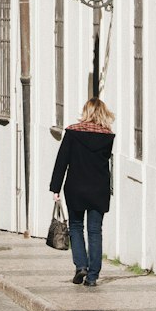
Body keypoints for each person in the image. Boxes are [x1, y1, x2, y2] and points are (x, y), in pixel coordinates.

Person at [49, 97, 116, 287]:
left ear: (85, 112)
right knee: (95, 231)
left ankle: (81, 266)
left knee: (76, 228)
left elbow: (62, 160)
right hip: (98, 190)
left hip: (75, 188)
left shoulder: (72, 133)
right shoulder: (107, 137)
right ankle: (93, 276)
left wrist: (55, 187)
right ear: (102, 112)